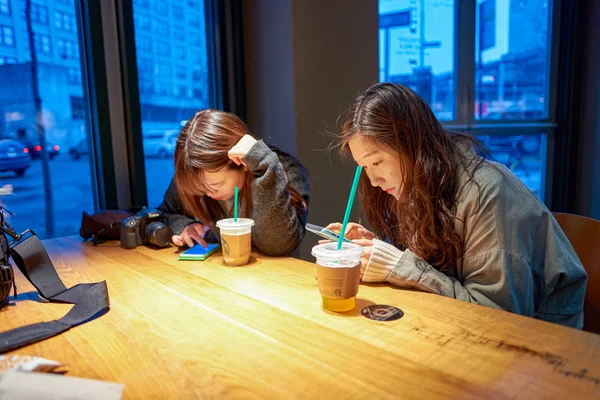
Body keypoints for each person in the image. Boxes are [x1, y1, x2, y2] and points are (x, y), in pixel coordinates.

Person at [325, 83, 587, 328]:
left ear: (411, 144)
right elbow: (441, 267)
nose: (373, 180)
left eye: (378, 162)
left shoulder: (487, 194)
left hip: (542, 348)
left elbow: (497, 318)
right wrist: (379, 249)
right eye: (364, 168)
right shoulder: (416, 185)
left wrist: (398, 266)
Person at [158, 109, 309, 257]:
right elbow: (165, 213)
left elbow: (278, 246)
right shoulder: (195, 175)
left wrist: (266, 170)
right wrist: (184, 226)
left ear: (241, 163)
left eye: (216, 185)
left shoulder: (287, 172)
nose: (208, 194)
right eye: (200, 190)